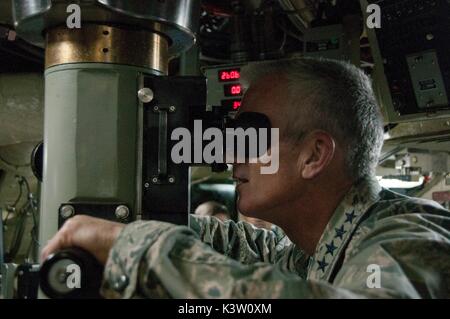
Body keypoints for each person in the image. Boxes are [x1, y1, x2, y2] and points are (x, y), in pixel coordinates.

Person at [42, 58, 450, 298]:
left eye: (250, 134)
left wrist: (141, 249)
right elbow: (248, 250)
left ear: (314, 154)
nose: (231, 152)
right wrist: (129, 221)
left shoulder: (405, 237)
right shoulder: (313, 250)